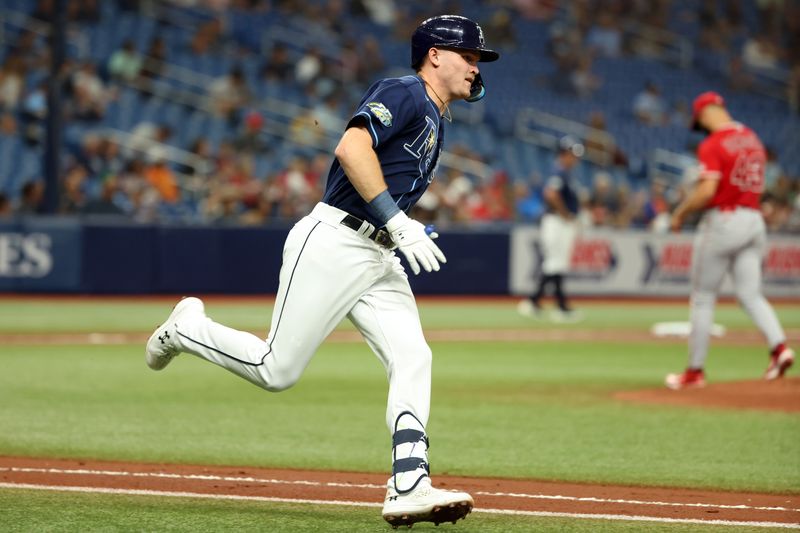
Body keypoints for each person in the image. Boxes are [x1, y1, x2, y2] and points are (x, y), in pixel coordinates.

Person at [145, 15, 499, 528]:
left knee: (413, 356)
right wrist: (400, 223)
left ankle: (408, 482)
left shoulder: (436, 115)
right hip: (335, 241)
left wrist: (398, 227)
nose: (475, 66)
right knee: (276, 369)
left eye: (478, 59)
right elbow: (351, 147)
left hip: (378, 253)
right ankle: (185, 328)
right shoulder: (406, 91)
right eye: (468, 55)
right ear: (435, 55)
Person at [665, 91, 794, 390]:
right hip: (753, 219)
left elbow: (708, 190)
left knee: (703, 297)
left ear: (706, 111)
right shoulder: (752, 138)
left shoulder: (712, 144)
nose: (701, 127)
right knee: (751, 294)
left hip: (724, 219)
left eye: (699, 120)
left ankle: (695, 371)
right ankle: (779, 349)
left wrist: (681, 212)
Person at [517, 136, 584, 322]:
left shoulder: (565, 172)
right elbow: (551, 194)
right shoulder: (559, 171)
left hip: (558, 222)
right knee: (555, 262)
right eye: (572, 154)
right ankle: (551, 305)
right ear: (564, 154)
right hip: (555, 222)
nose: (575, 158)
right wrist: (565, 214)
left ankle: (539, 303)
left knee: (556, 263)